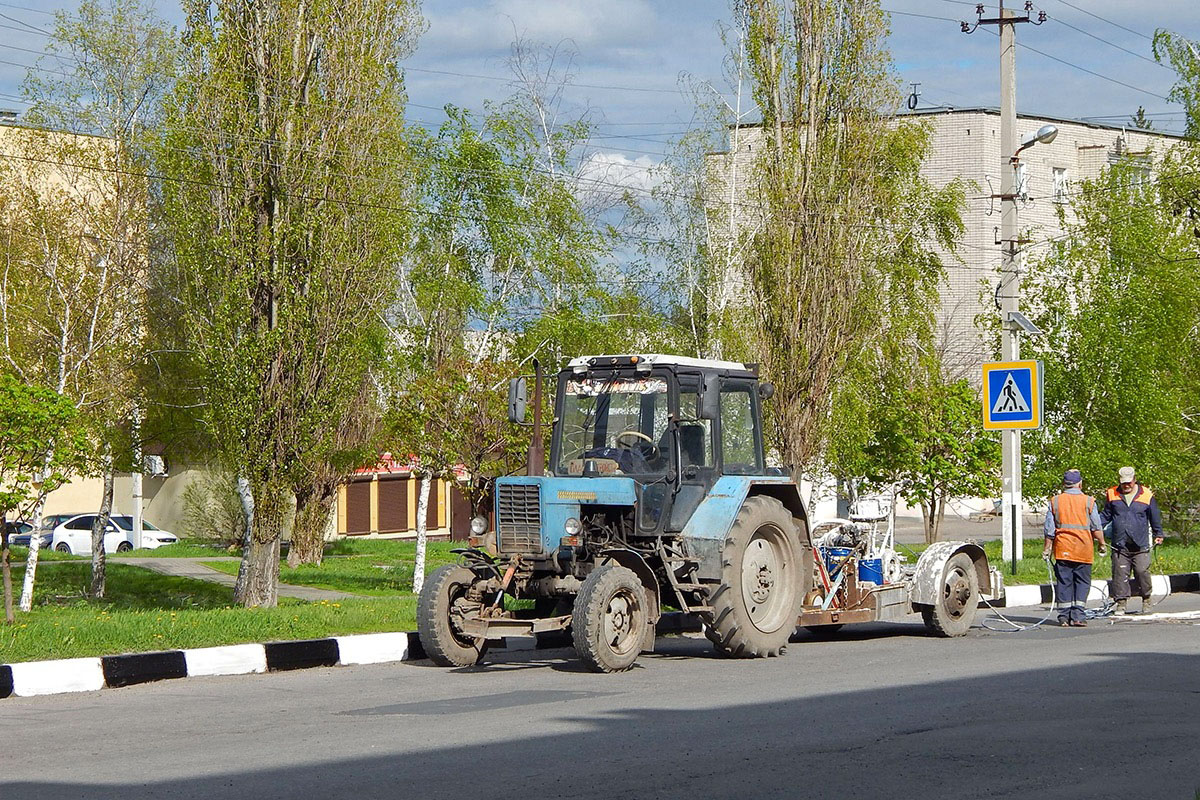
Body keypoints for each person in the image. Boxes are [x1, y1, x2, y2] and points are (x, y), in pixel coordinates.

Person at [1043, 469, 1106, 627]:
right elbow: (1096, 526)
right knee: (1082, 582)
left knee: (1064, 582)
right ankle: (1078, 616)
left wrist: (1047, 548)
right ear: (1080, 483)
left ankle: (1064, 617)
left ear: (1064, 484)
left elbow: (1049, 529)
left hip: (1063, 548)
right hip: (1083, 549)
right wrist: (1102, 543)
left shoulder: (1055, 501)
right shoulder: (1089, 501)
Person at [1101, 466, 1163, 615]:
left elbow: (1154, 515)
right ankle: (1121, 603)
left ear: (1134, 479)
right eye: (1124, 483)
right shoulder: (1112, 494)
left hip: (1140, 543)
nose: (1126, 485)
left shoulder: (1146, 494)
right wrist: (1094, 528)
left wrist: (1158, 533)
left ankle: (1146, 599)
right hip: (1120, 543)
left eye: (1129, 482)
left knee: (1142, 571)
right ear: (1119, 481)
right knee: (1120, 573)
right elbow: (1106, 515)